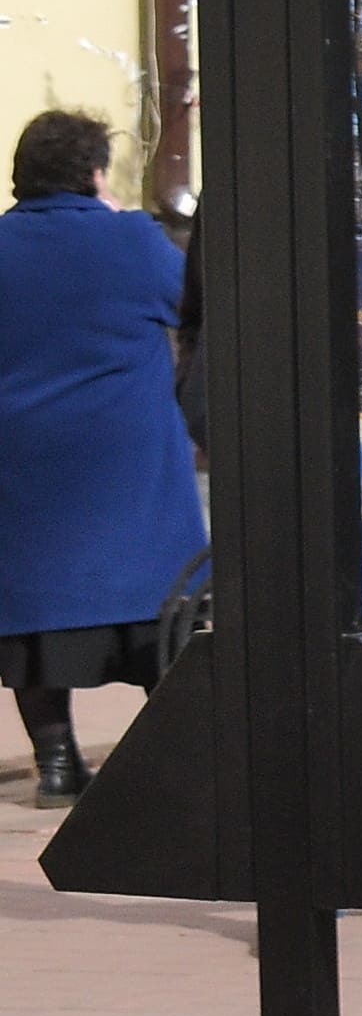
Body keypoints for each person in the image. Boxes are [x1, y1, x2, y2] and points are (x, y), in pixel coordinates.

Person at [0, 111, 205, 806]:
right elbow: (191, 303)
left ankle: (57, 765)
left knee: (33, 609)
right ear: (94, 173)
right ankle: (170, 762)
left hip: (23, 464)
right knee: (157, 611)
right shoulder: (130, 240)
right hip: (126, 467)